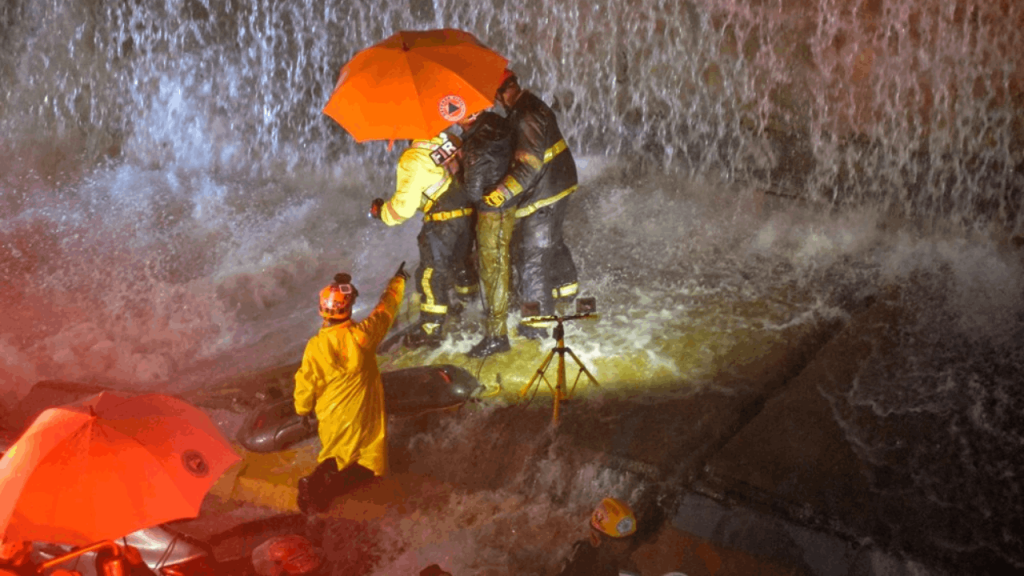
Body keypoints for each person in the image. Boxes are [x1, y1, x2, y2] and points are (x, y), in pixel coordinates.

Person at [293, 264, 407, 514]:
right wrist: (397, 281)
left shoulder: (315, 346)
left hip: (330, 412)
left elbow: (306, 380)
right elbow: (385, 311)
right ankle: (323, 490)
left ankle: (313, 486)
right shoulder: (362, 336)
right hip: (360, 412)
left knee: (334, 454)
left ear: (321, 309)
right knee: (367, 463)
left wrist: (302, 409)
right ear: (350, 306)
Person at [489, 69, 581, 339]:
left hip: (546, 188)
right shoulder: (526, 107)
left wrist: (502, 192)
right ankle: (565, 288)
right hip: (555, 183)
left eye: (495, 97)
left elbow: (529, 165)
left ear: (502, 92)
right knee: (550, 238)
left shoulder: (526, 115)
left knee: (533, 255)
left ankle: (538, 323)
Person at [370, 131, 478, 348]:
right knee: (461, 263)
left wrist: (381, 212)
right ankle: (470, 306)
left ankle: (431, 329)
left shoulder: (413, 157)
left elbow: (403, 208)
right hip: (467, 215)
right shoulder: (451, 140)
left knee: (430, 274)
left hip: (442, 222)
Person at [455, 109, 517, 358]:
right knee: (499, 265)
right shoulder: (496, 123)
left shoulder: (476, 147)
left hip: (492, 212)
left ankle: (497, 336)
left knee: (493, 270)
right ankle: (501, 314)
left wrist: (457, 164)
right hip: (506, 205)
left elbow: (471, 192)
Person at [553, 497, 641, 576]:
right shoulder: (578, 566)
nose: (627, 548)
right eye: (617, 543)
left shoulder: (623, 567)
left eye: (629, 540)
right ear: (595, 539)